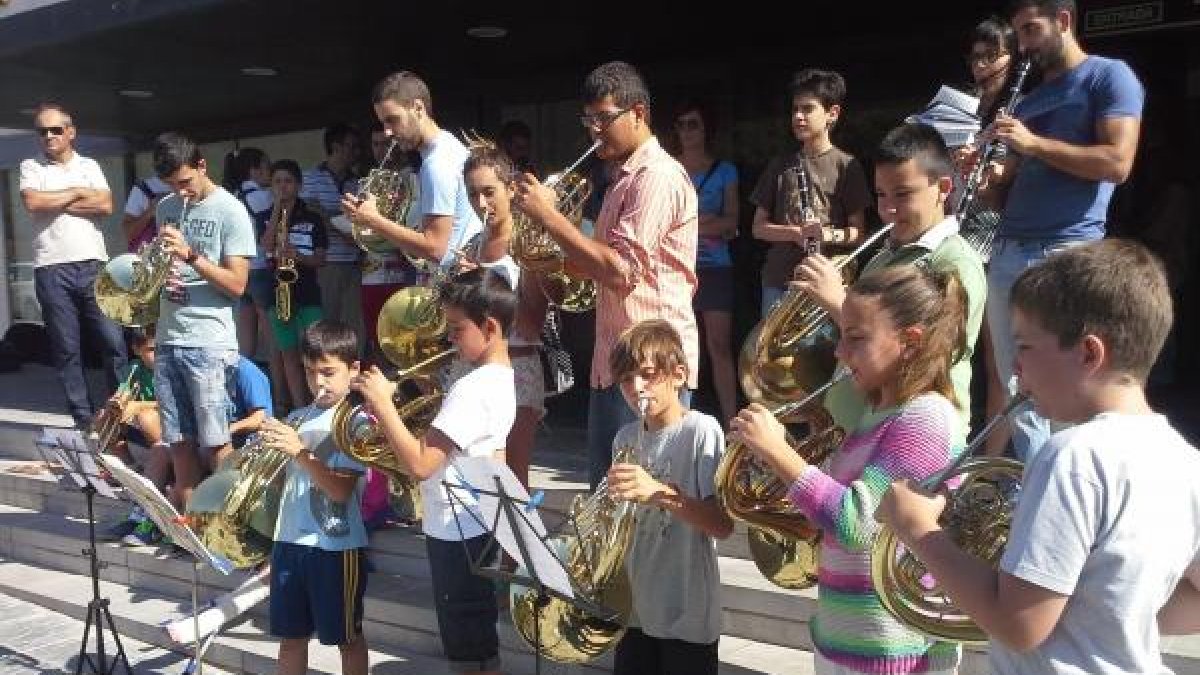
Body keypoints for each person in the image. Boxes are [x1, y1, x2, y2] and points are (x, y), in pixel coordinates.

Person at [877, 239, 1200, 674]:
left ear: (1088, 353)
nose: (1015, 368)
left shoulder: (1072, 455)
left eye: (1025, 347)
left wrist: (917, 528)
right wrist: (1103, 616)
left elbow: (1018, 625)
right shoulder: (1185, 460)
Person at [732, 264, 970, 674]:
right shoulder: (878, 414)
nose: (840, 353)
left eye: (856, 338)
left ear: (910, 342)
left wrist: (779, 453)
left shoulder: (926, 418)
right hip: (847, 646)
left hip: (894, 655)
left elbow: (855, 523)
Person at [513, 60, 700, 489]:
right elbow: (594, 265)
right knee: (606, 497)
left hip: (651, 365)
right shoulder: (621, 180)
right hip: (613, 361)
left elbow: (621, 271)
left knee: (639, 506)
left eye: (604, 117)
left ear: (638, 113)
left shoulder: (656, 176)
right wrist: (543, 255)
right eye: (588, 119)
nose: (594, 129)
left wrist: (549, 216)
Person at [977, 0, 1143, 461]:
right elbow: (1003, 192)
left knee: (1072, 374)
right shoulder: (1027, 99)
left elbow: (1117, 162)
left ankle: (1078, 482)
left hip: (1066, 246)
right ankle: (1037, 479)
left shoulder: (1108, 76)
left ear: (1063, 21)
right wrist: (987, 174)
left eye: (1031, 30)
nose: (1023, 44)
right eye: (1019, 33)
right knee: (1018, 380)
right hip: (1010, 244)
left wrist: (1031, 142)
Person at [353, 267, 516, 675]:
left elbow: (422, 465)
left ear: (490, 327)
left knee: (466, 644)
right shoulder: (499, 379)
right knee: (475, 636)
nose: (449, 339)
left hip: (455, 528)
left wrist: (385, 405)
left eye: (457, 330)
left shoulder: (472, 389)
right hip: (474, 522)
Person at [797, 123, 986, 439]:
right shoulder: (881, 257)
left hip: (908, 437)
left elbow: (933, 350)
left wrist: (835, 300)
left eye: (903, 194)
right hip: (857, 428)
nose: (888, 210)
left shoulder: (954, 260)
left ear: (943, 188)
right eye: (881, 195)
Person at [605, 319, 733, 675]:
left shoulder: (700, 430)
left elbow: (721, 525)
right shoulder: (624, 438)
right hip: (635, 609)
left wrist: (660, 494)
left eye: (647, 375)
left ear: (678, 375)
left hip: (686, 612)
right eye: (626, 380)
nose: (636, 388)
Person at [151, 132, 257, 511]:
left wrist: (191, 256)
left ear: (202, 166)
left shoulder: (231, 210)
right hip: (167, 338)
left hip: (210, 341)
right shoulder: (165, 207)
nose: (180, 193)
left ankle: (233, 523)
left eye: (185, 183)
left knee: (215, 442)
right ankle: (191, 529)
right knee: (178, 442)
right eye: (171, 185)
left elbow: (238, 285)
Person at [261, 320, 370, 675]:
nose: (318, 382)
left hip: (335, 547)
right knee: (291, 638)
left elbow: (340, 490)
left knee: (346, 638)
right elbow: (283, 484)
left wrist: (299, 453)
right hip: (289, 539)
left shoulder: (356, 421)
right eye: (310, 371)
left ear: (353, 370)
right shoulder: (296, 417)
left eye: (328, 372)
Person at [18, 102, 127, 429]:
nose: (49, 136)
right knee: (67, 349)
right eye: (42, 131)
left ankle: (122, 415)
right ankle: (85, 419)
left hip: (94, 265)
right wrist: (80, 194)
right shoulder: (30, 166)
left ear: (71, 132)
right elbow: (33, 203)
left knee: (113, 342)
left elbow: (106, 205)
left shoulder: (89, 165)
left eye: (55, 130)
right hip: (51, 269)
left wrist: (58, 200)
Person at [750, 69, 871, 317]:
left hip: (826, 280)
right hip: (779, 280)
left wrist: (826, 234)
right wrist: (796, 233)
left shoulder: (847, 165)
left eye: (808, 109)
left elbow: (859, 232)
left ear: (832, 113)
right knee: (770, 355)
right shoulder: (779, 165)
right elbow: (758, 228)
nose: (798, 116)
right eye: (795, 109)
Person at [341, 72, 482, 277]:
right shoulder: (449, 146)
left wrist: (375, 220)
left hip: (455, 284)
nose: (388, 131)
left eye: (392, 120)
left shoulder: (437, 164)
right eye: (383, 123)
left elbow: (436, 248)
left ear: (418, 108)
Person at [463, 141, 542, 488]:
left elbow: (531, 323)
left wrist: (484, 283)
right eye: (472, 194)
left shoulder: (530, 242)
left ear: (511, 188)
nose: (481, 204)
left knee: (512, 478)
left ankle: (516, 546)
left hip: (516, 368)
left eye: (489, 192)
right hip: (468, 369)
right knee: (469, 476)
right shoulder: (471, 244)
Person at [961, 16, 1020, 454]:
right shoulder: (965, 109)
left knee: (996, 357)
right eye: (976, 57)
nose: (982, 66)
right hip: (960, 231)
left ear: (1011, 56)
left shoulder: (1020, 108)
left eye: (992, 55)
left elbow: (1011, 178)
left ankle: (993, 458)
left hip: (1000, 235)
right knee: (956, 346)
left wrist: (993, 173)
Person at [669, 98, 740, 426]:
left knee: (718, 346)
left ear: (706, 128)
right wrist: (705, 221)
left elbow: (731, 222)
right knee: (676, 346)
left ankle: (731, 422)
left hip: (715, 268)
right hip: (676, 267)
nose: (686, 131)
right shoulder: (669, 168)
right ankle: (677, 419)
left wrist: (689, 224)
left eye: (693, 124)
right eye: (681, 125)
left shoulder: (725, 171)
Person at [258, 159, 328, 411]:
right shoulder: (265, 217)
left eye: (288, 181)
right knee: (288, 354)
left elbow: (321, 259)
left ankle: (319, 405)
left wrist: (298, 256)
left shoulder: (313, 219)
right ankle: (299, 408)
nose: (283, 187)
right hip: (277, 293)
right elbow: (265, 246)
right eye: (277, 182)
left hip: (307, 293)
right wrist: (276, 209)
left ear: (298, 185)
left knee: (317, 351)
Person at [359, 122, 419, 360]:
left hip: (408, 270)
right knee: (378, 338)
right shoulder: (369, 181)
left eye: (387, 144)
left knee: (408, 340)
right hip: (373, 272)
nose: (382, 150)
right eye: (376, 145)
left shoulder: (414, 177)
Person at [302, 123, 365, 343]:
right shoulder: (309, 177)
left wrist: (325, 214)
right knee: (328, 326)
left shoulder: (358, 182)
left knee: (354, 327)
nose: (357, 152)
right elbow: (308, 214)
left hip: (356, 262)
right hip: (326, 263)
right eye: (352, 146)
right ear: (336, 147)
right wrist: (336, 221)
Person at [223, 148, 275, 369]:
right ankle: (275, 386)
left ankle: (242, 384)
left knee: (245, 340)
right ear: (254, 170)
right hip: (261, 266)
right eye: (267, 167)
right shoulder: (262, 196)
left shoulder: (228, 196)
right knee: (271, 335)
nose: (270, 173)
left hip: (237, 269)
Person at [119, 173, 171, 253]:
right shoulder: (145, 188)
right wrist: (150, 212)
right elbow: (128, 232)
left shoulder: (193, 186)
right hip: (153, 258)